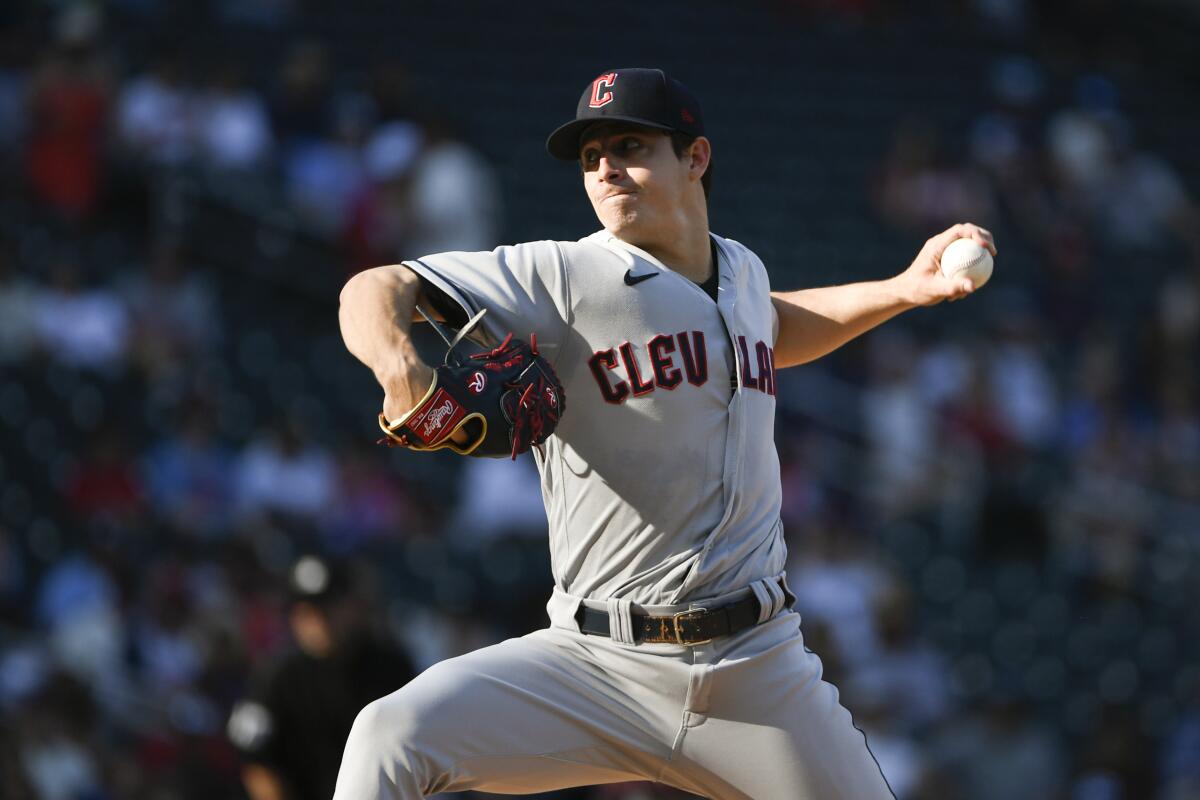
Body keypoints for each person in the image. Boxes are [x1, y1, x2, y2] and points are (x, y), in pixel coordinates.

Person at [334, 67, 995, 799]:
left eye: (628, 144)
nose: (606, 167)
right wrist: (403, 372)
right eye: (590, 156)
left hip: (756, 671)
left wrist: (904, 289)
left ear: (695, 158)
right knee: (389, 736)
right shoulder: (565, 274)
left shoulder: (741, 271)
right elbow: (373, 288)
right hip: (593, 667)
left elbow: (771, 326)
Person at [227, 555, 415, 800]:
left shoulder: (390, 666)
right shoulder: (277, 677)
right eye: (307, 612)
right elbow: (257, 762)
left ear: (352, 606)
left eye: (328, 609)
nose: (318, 622)